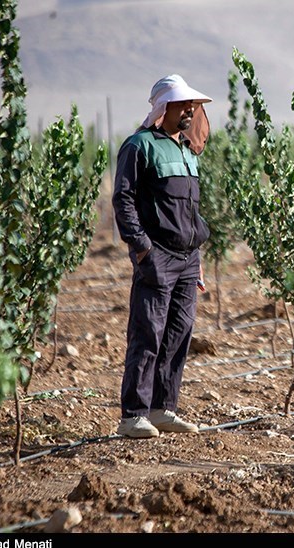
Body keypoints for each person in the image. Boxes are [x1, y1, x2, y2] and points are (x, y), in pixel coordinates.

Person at [112, 74, 212, 438]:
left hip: (187, 258)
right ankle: (133, 415)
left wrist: (197, 253)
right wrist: (141, 248)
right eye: (182, 104)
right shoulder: (140, 146)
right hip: (158, 255)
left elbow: (188, 208)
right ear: (163, 107)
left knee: (179, 333)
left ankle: (162, 408)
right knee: (148, 332)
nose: (189, 110)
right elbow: (123, 200)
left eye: (192, 105)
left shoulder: (186, 149)